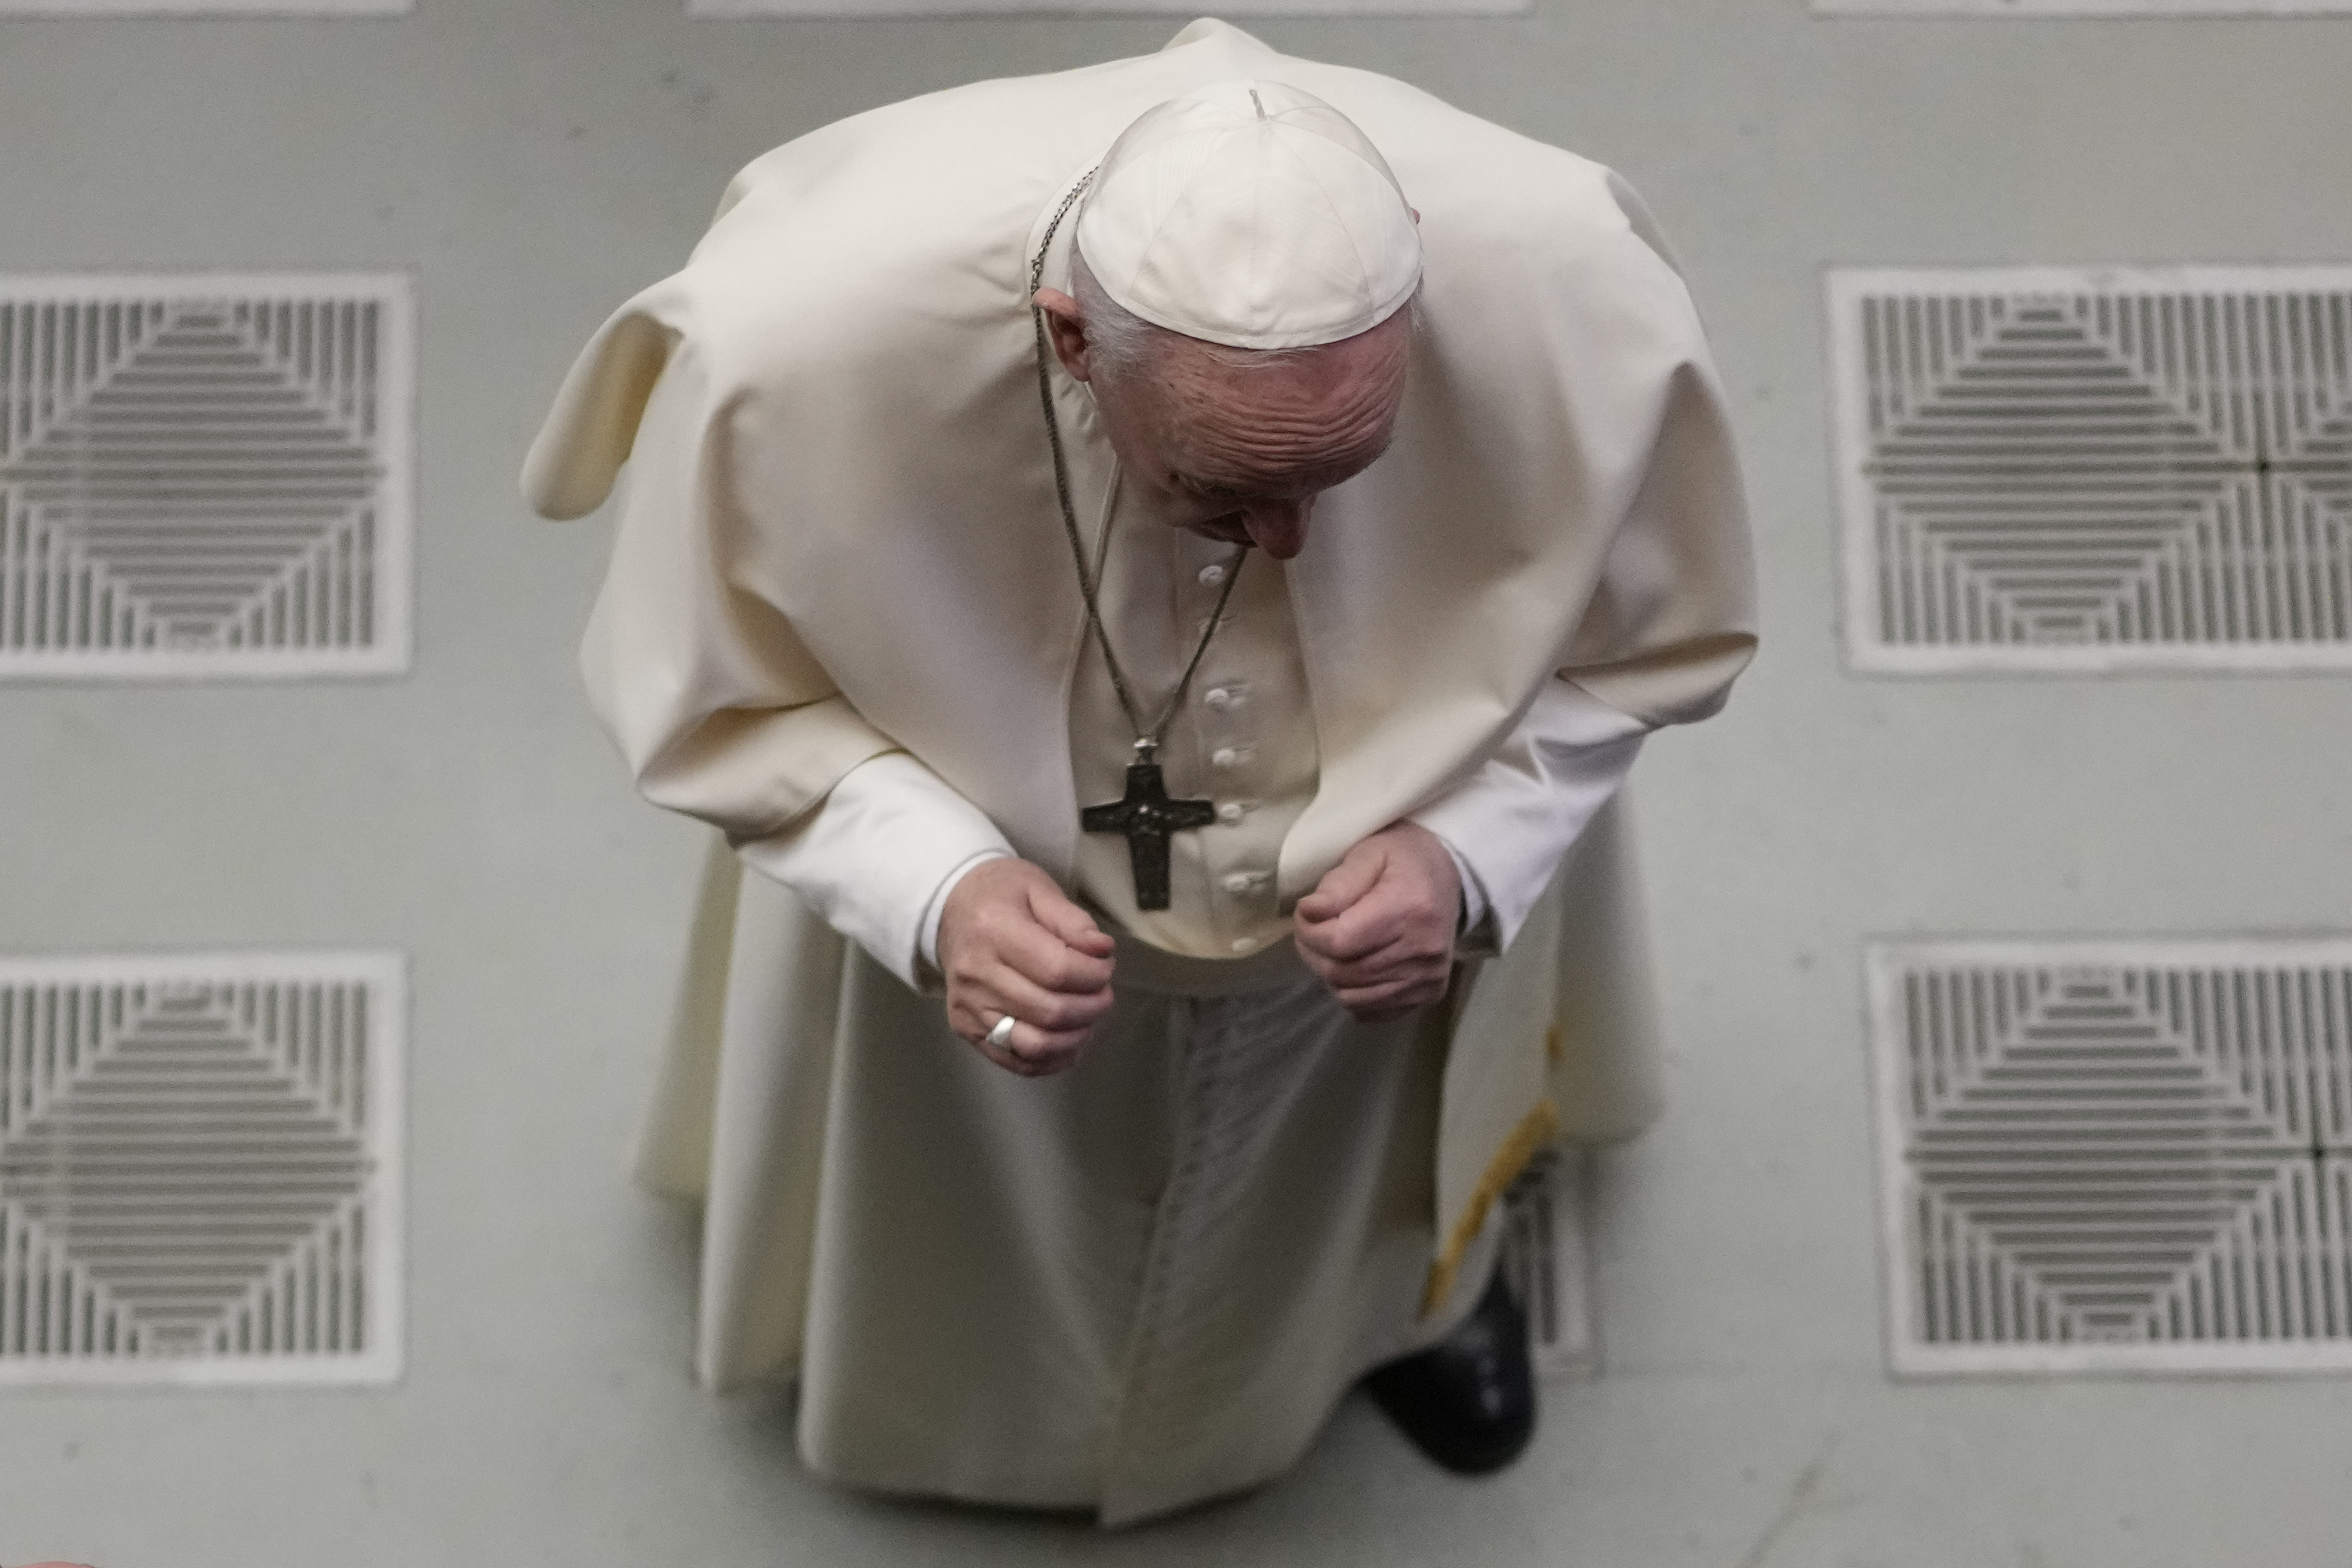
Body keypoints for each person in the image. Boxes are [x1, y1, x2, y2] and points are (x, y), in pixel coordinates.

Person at [524, 20, 1755, 1527]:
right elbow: (722, 695)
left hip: (1380, 927)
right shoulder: (796, 342)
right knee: (954, 1194)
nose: (1291, 539)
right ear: (1063, 335)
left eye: (1341, 472)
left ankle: (1401, 1311)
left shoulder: (1572, 288)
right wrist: (933, 880)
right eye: (1227, 487)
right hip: (983, 941)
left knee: (1372, 1152)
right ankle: (939, 1397)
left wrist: (1471, 849)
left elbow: (1643, 642)